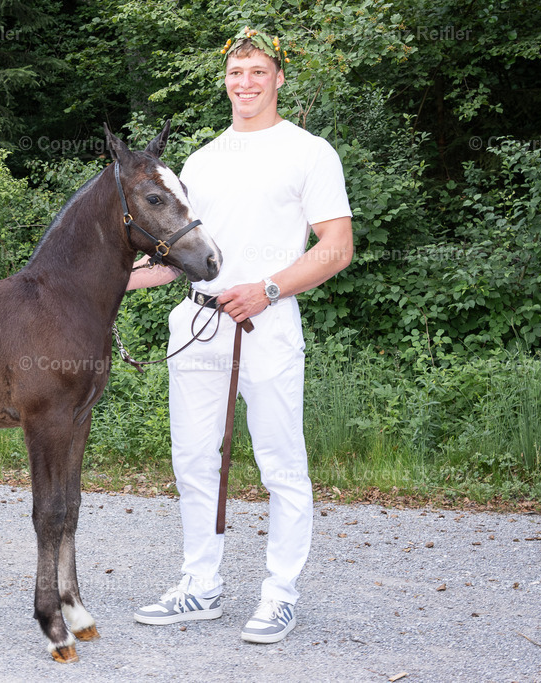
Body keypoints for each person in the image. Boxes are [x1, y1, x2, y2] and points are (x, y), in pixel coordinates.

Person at [127, 26, 354, 644]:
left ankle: (279, 596)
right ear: (225, 81)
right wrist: (105, 282)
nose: (245, 82)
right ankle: (200, 586)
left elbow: (336, 248)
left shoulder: (309, 152)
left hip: (266, 321)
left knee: (281, 463)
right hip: (198, 323)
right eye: (235, 72)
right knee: (193, 458)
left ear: (278, 77)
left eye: (257, 71)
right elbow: (180, 258)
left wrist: (268, 289)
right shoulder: (203, 160)